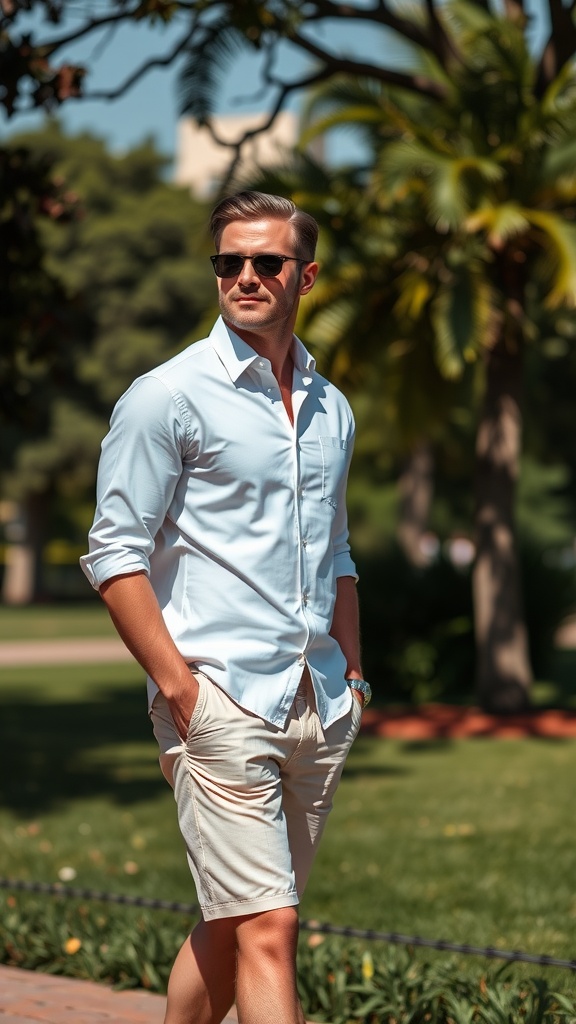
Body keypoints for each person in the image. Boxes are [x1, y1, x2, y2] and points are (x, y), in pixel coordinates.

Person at [80, 190, 371, 1024]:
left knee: (236, 920)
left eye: (266, 262)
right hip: (217, 698)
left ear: (305, 276)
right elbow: (114, 554)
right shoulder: (166, 397)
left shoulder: (331, 408)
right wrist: (180, 690)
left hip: (318, 700)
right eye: (228, 262)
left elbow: (338, 550)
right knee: (271, 927)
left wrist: (352, 671)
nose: (244, 276)